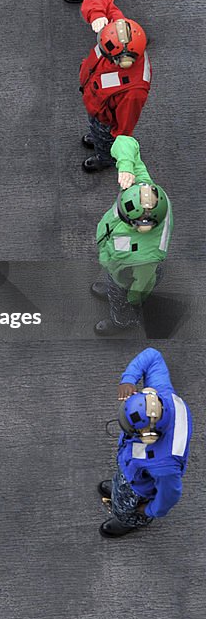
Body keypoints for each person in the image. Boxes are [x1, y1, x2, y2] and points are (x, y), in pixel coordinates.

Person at [98, 348, 192, 538]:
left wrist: (148, 510)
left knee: (128, 507)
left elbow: (170, 495)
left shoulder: (165, 465)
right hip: (133, 470)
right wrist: (128, 379)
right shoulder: (163, 396)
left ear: (148, 435)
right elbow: (152, 355)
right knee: (121, 482)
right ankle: (119, 490)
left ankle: (127, 519)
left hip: (139, 489)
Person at [93, 136, 172, 336]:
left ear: (142, 227)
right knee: (119, 281)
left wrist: (134, 297)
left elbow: (142, 283)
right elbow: (126, 141)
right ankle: (114, 288)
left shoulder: (145, 257)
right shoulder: (143, 192)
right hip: (121, 266)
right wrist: (126, 166)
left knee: (123, 297)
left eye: (124, 216)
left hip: (127, 275)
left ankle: (123, 320)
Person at [78, 0, 150, 172]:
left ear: (122, 60)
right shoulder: (120, 34)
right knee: (96, 130)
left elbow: (125, 127)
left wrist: (116, 138)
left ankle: (105, 157)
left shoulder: (134, 91)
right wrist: (97, 14)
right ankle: (97, 137)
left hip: (106, 121)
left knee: (107, 141)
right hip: (95, 102)